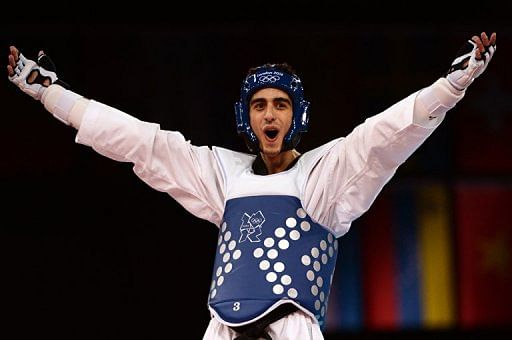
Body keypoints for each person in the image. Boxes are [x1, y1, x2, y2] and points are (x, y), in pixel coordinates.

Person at [7, 31, 497, 340]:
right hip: (222, 329)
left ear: (297, 114)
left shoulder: (325, 176)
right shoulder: (224, 176)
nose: (269, 113)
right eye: (260, 104)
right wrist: (49, 93)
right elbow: (140, 143)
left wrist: (452, 86)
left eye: (280, 104)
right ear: (247, 116)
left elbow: (388, 134)